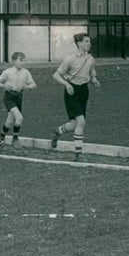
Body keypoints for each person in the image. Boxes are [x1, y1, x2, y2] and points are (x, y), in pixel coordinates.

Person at [50, 32, 101, 161]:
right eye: (86, 41)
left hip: (84, 91)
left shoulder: (90, 59)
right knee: (81, 121)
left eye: (89, 41)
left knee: (74, 124)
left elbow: (92, 73)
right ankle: (78, 154)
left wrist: (94, 80)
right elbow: (56, 75)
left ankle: (57, 131)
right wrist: (66, 84)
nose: (89, 44)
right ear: (79, 43)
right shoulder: (70, 59)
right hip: (71, 91)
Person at [0, 51, 36, 149]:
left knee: (9, 121)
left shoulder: (26, 72)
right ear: (13, 61)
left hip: (18, 97)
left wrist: (28, 87)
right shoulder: (8, 72)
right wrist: (4, 86)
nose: (22, 63)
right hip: (9, 97)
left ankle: (0, 137)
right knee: (19, 118)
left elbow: (33, 84)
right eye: (20, 60)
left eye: (24, 61)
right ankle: (15, 139)